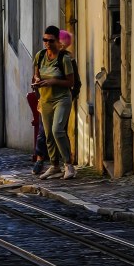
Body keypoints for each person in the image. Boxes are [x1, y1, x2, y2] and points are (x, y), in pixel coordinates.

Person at [32, 25, 78, 180]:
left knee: (57, 130)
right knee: (49, 135)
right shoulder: (40, 56)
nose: (47, 43)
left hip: (61, 99)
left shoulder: (64, 58)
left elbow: (71, 82)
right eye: (45, 40)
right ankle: (54, 166)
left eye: (51, 40)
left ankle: (68, 165)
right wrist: (37, 81)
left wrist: (53, 81)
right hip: (45, 99)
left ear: (58, 40)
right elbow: (36, 74)